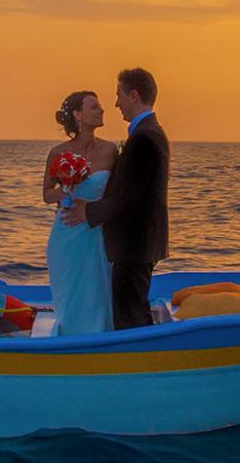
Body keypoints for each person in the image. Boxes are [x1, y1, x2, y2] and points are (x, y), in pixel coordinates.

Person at [66, 67, 169, 329]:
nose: (116, 104)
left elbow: (129, 197)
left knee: (129, 315)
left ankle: (138, 364)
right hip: (138, 242)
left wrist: (88, 212)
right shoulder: (147, 132)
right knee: (133, 309)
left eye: (119, 95)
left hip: (134, 243)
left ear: (134, 95)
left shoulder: (144, 137)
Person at [41, 90, 116, 336]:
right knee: (70, 293)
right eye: (94, 106)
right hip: (67, 232)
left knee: (97, 291)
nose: (102, 110)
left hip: (96, 232)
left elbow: (117, 195)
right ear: (78, 115)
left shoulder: (110, 151)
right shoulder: (58, 152)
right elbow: (46, 194)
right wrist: (62, 194)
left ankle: (99, 340)